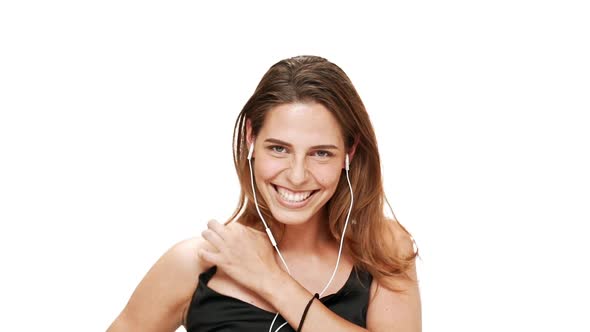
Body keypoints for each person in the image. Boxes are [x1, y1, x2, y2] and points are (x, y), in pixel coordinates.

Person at [107, 55, 421, 331]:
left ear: (349, 153)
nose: (297, 176)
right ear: (251, 137)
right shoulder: (196, 262)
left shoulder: (384, 248)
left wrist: (269, 279)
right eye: (279, 149)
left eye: (321, 153)